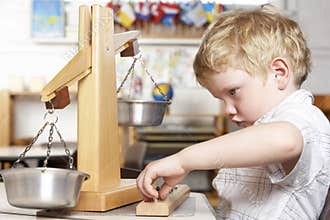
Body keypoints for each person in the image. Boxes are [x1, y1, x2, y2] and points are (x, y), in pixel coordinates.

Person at [136, 4, 330, 219]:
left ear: (279, 73)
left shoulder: (304, 117)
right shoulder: (264, 127)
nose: (228, 109)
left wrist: (183, 160)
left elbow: (285, 140)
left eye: (234, 91)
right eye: (221, 99)